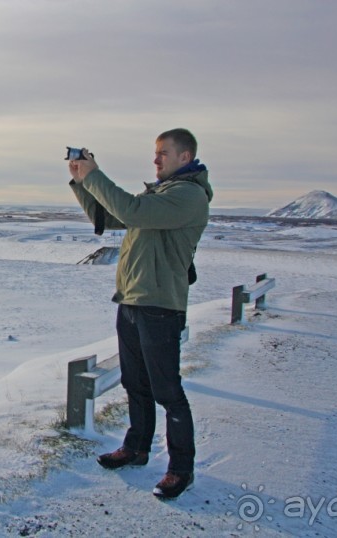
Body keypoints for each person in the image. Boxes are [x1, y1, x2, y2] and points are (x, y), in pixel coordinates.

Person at [68, 128, 213, 499]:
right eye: (156, 153)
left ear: (185, 156)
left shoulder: (188, 195)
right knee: (135, 383)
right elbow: (115, 217)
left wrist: (95, 175)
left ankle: (181, 468)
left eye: (163, 153)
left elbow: (132, 211)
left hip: (161, 306)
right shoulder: (162, 195)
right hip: (132, 300)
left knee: (168, 391)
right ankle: (136, 447)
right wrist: (82, 181)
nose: (156, 159)